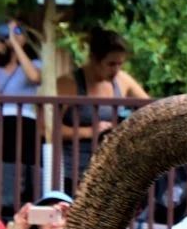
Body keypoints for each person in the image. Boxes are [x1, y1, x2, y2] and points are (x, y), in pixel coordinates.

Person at [56, 28, 149, 192]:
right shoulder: (69, 83)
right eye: (111, 64)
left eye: (120, 64)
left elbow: (152, 108)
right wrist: (89, 131)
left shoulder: (122, 80)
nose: (116, 70)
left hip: (111, 171)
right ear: (93, 59)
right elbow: (46, 129)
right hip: (75, 172)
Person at [0, 18, 44, 211]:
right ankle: (2, 206)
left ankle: (28, 204)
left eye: (17, 32)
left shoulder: (34, 63)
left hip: (25, 119)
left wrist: (17, 46)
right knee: (3, 167)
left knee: (28, 165)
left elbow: (35, 77)